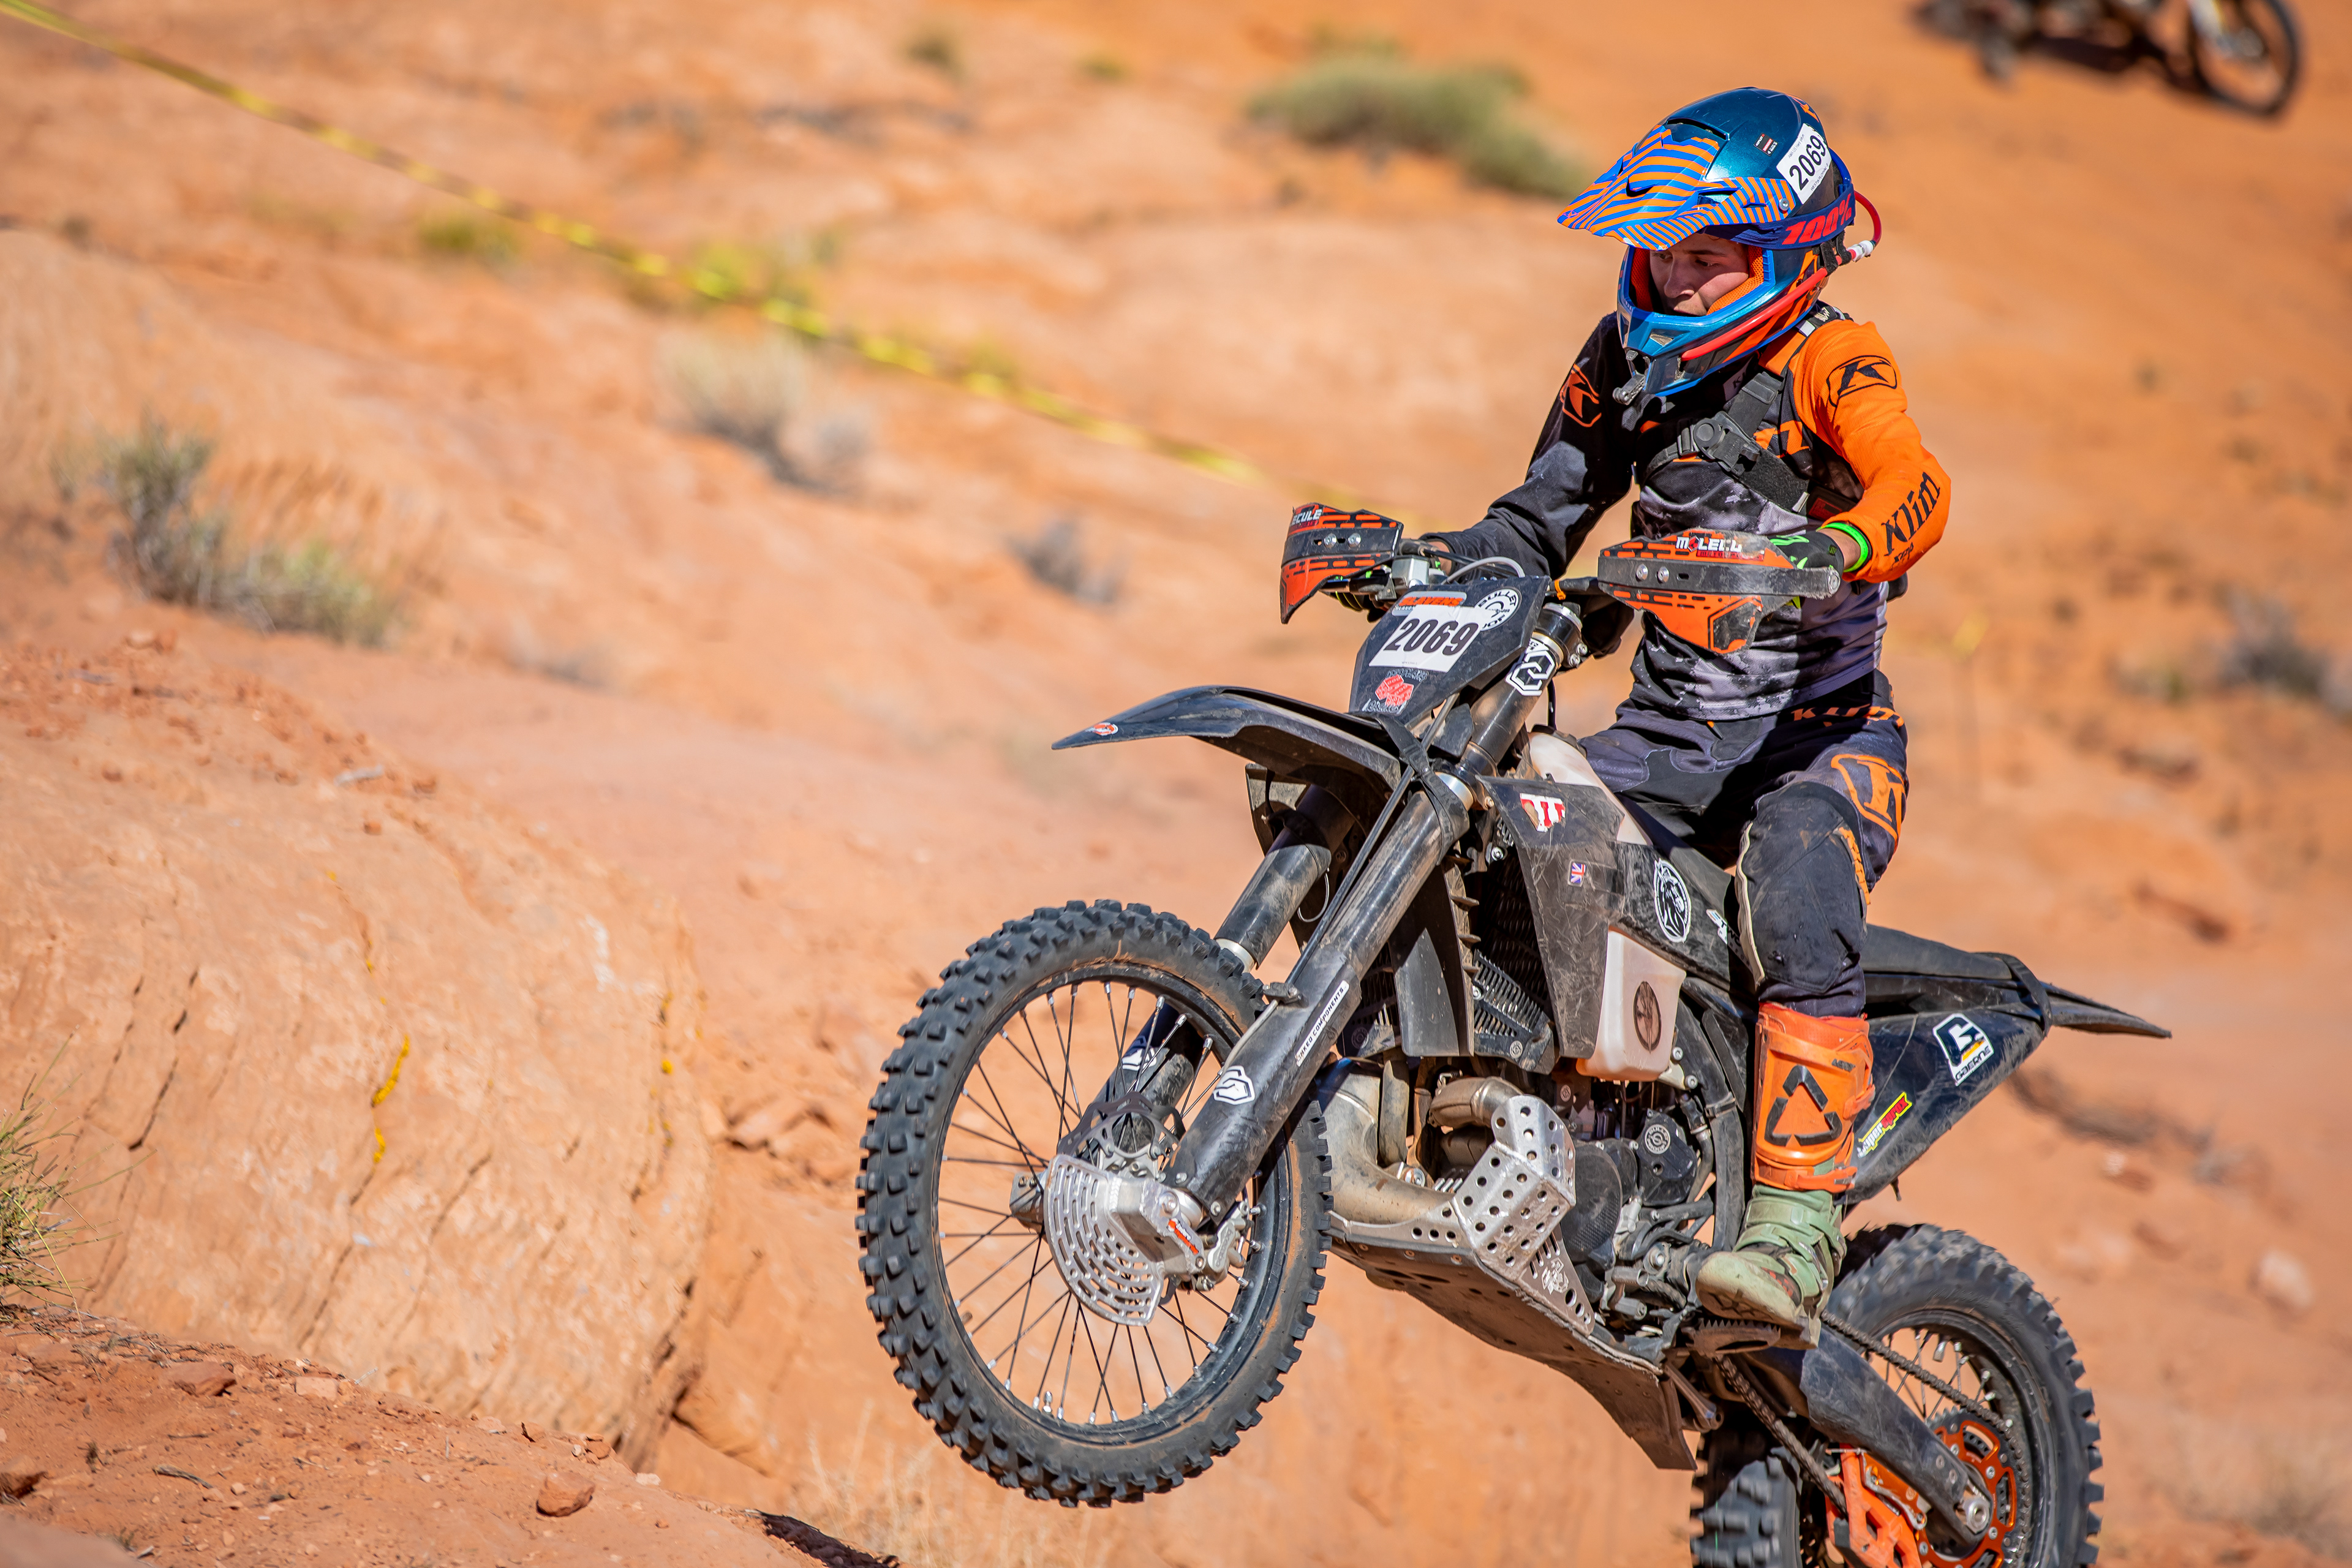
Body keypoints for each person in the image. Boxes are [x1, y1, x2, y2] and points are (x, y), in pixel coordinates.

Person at [1415, 88, 1950, 1336]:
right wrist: (1442, 563)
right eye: (1665, 248)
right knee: (1514, 822)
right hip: (1668, 739)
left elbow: (1915, 481)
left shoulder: (1833, 357)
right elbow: (1541, 514)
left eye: (1712, 254)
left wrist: (1838, 546)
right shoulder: (1624, 360)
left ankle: (1794, 1228)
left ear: (1782, 255)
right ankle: (1575, 1128)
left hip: (1820, 743)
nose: (1678, 274)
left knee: (1797, 877)